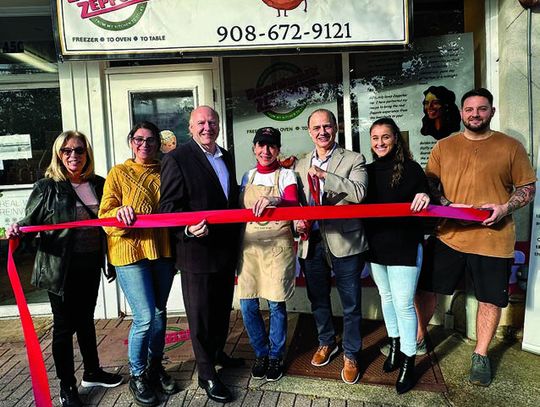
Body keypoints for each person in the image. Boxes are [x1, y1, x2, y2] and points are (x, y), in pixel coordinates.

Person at [416, 88, 536, 387]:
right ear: (461, 112)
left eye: (482, 109)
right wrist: (443, 203)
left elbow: (527, 187)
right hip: (449, 235)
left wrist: (506, 206)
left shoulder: (511, 147)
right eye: (469, 109)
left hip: (493, 238)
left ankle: (481, 354)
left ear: (491, 112)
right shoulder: (444, 147)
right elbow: (429, 182)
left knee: (489, 300)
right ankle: (418, 337)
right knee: (427, 287)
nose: (475, 114)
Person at [5, 131, 122, 407]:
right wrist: (16, 230)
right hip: (60, 267)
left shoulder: (98, 183)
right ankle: (67, 386)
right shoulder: (47, 187)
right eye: (67, 151)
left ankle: (92, 372)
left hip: (90, 263)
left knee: (86, 320)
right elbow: (29, 222)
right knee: (63, 326)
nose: (73, 156)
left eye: (79, 150)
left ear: (86, 154)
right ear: (59, 154)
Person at [159, 105, 243, 403]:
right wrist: (185, 231)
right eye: (201, 123)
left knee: (221, 310)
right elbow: (168, 209)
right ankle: (206, 373)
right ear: (190, 128)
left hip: (225, 250)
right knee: (200, 315)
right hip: (196, 252)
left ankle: (218, 352)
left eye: (212, 121)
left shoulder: (226, 156)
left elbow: (230, 199)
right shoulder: (176, 158)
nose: (207, 127)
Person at [98, 121, 179, 406]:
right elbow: (105, 214)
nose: (144, 145)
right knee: (144, 316)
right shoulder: (118, 173)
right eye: (138, 139)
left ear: (159, 144)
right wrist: (120, 212)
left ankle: (156, 367)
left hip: (161, 251)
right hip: (129, 252)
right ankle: (138, 373)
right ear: (131, 142)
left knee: (158, 313)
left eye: (150, 140)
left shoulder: (167, 170)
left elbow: (175, 208)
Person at [295, 108, 368, 385]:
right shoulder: (299, 165)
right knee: (318, 299)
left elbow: (359, 194)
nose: (322, 132)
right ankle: (327, 342)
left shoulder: (354, 158)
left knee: (351, 304)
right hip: (311, 242)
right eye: (316, 128)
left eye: (327, 126)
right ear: (309, 131)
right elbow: (296, 206)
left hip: (345, 241)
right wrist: (296, 225)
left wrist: (325, 176)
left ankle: (351, 353)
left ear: (335, 128)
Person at [364, 117, 430, 394]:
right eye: (375, 138)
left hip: (404, 245)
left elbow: (427, 196)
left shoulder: (412, 169)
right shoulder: (365, 171)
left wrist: (425, 197)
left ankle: (408, 361)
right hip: (377, 246)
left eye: (386, 137)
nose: (380, 143)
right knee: (386, 299)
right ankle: (393, 345)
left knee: (404, 304)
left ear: (396, 139)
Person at [237, 127, 298, 382]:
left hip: (276, 247)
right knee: (248, 303)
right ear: (254, 148)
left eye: (271, 146)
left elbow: (295, 204)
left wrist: (277, 201)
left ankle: (275, 356)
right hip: (250, 247)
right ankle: (261, 352)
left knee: (275, 303)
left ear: (278, 149)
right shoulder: (246, 176)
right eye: (261, 145)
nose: (266, 150)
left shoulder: (287, 176)